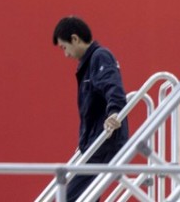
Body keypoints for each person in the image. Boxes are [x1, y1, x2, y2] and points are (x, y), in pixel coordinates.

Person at [52, 16, 129, 202]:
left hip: (105, 142)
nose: (66, 54)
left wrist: (114, 112)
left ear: (75, 39)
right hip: (94, 143)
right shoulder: (87, 64)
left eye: (64, 47)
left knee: (71, 198)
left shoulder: (99, 57)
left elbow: (113, 87)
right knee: (87, 197)